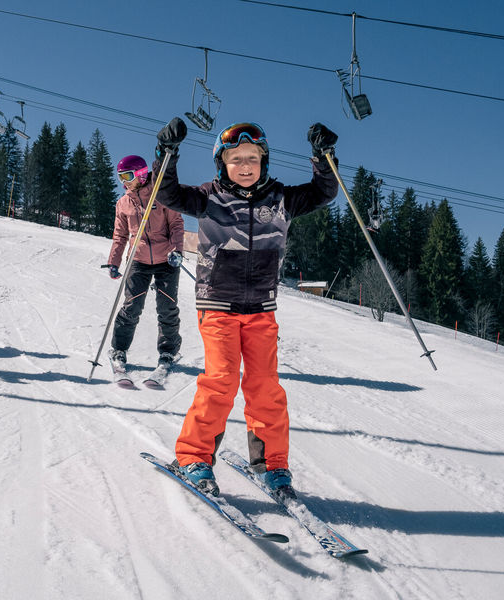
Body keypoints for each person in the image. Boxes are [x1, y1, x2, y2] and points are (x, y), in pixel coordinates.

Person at [152, 117, 340, 497]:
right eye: (235, 158)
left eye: (252, 157)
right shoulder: (209, 197)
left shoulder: (281, 199)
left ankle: (273, 465)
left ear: (264, 161)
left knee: (265, 388)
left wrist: (324, 156)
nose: (244, 165)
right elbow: (167, 193)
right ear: (222, 163)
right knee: (220, 381)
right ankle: (194, 457)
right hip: (217, 304)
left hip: (261, 309)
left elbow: (324, 193)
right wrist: (166, 154)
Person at [106, 154, 185, 371]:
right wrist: (114, 261)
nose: (124, 181)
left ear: (140, 174)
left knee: (167, 307)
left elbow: (177, 224)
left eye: (127, 176)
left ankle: (168, 351)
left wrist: (177, 250)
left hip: (166, 259)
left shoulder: (161, 194)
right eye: (120, 177)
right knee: (132, 306)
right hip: (138, 259)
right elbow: (120, 235)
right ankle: (119, 348)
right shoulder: (123, 203)